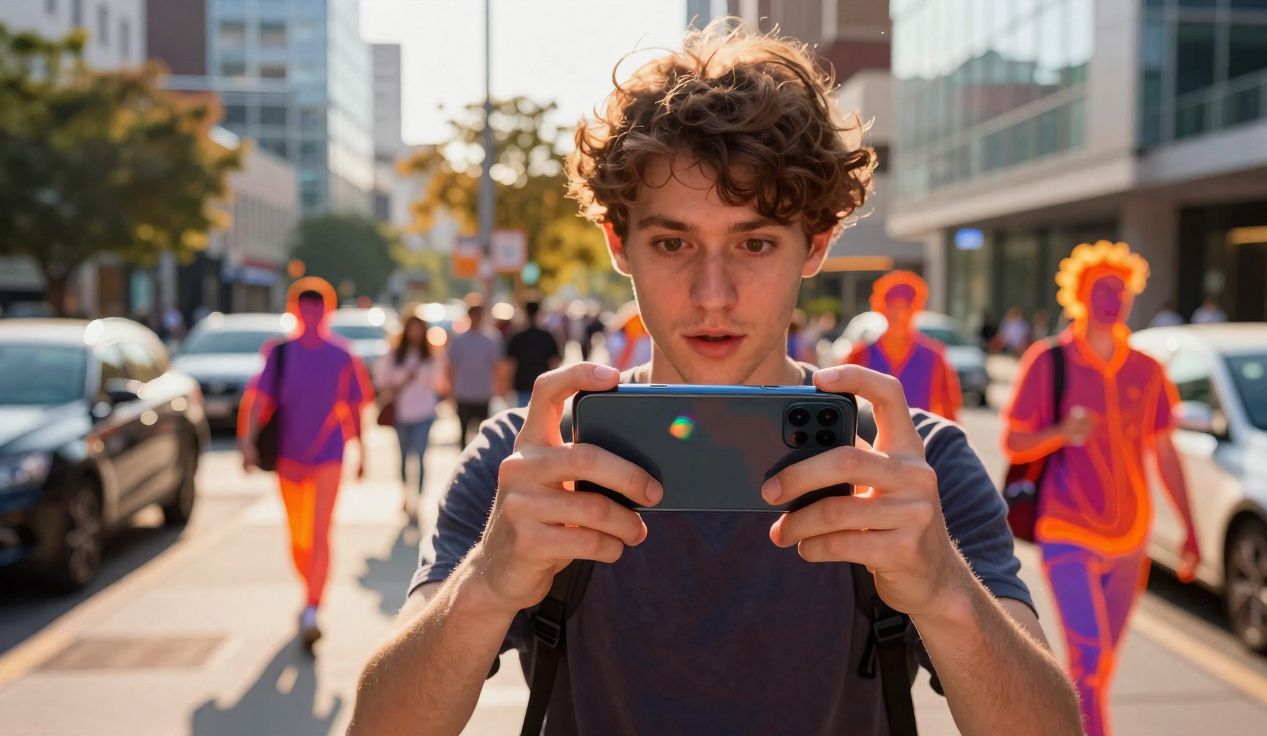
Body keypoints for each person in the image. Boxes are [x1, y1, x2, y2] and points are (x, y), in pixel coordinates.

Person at [352, 24, 1080, 736]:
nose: (712, 294)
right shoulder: (531, 460)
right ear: (618, 244)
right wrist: (486, 585)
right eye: (673, 242)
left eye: (755, 242)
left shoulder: (912, 466)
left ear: (816, 245)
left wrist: (943, 590)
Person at [1002, 241, 1200, 736]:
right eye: (1101, 287)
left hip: (1133, 540)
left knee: (1100, 668)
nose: (1113, 297)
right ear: (1080, 295)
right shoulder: (1049, 361)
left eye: (1121, 288)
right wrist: (1060, 434)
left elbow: (1167, 454)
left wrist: (1191, 529)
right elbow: (1013, 440)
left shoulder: (1148, 370)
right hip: (1067, 529)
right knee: (1088, 658)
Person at [238, 277, 372, 650]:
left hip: (329, 455)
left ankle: (313, 606)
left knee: (320, 532)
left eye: (317, 305)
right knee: (298, 537)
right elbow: (257, 401)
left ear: (327, 309)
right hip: (288, 457)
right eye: (303, 304)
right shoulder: (279, 352)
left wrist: (363, 452)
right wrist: (247, 444)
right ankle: (308, 589)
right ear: (293, 309)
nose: (310, 312)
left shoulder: (343, 354)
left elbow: (354, 407)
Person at [844, 271, 962, 420]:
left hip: (920, 439)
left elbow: (949, 411)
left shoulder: (934, 357)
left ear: (916, 308)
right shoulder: (859, 355)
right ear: (881, 307)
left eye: (905, 307)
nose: (899, 315)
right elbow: (847, 408)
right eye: (892, 306)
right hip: (870, 440)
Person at [377, 312, 446, 522]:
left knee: (421, 456)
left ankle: (419, 500)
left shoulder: (431, 355)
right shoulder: (395, 354)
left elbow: (440, 382)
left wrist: (424, 377)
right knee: (404, 456)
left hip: (424, 412)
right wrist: (403, 377)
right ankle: (406, 494)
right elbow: (381, 379)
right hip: (402, 413)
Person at [445, 301, 504, 448]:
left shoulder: (491, 339)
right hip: (464, 393)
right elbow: (451, 366)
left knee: (482, 432)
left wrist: (499, 388)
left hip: (482, 393)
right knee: (463, 431)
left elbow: (496, 366)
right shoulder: (459, 340)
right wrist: (451, 390)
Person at [503, 301, 562, 408]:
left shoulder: (517, 337)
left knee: (523, 419)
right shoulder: (547, 336)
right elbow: (555, 362)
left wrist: (507, 386)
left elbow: (510, 364)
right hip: (543, 386)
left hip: (522, 385)